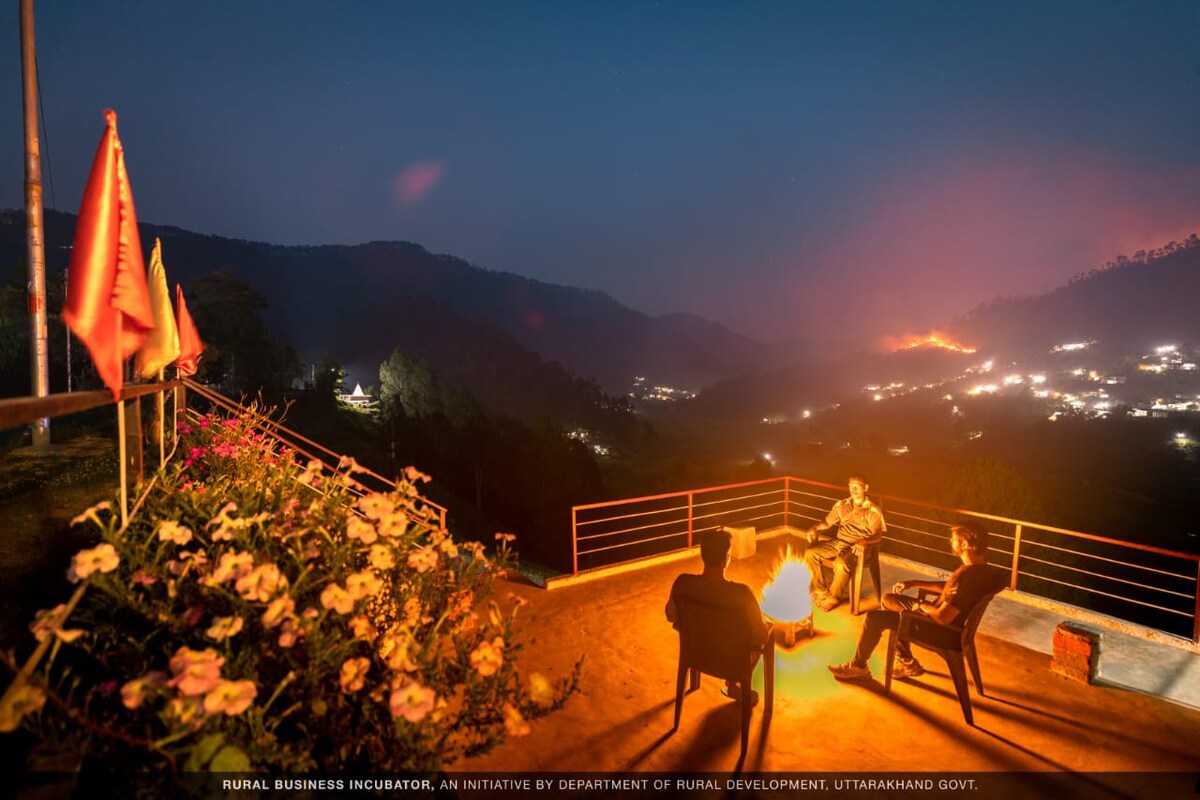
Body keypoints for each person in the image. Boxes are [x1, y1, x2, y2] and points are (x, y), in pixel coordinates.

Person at [828, 521, 1001, 681]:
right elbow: (949, 588)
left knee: (874, 618)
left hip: (940, 631)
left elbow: (943, 617)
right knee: (888, 599)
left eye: (954, 539)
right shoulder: (982, 571)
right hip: (946, 623)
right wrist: (913, 583)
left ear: (964, 545)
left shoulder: (966, 578)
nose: (950, 541)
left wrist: (921, 606)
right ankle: (907, 661)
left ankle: (859, 667)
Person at [666, 529, 771, 705]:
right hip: (730, 661)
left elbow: (671, 616)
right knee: (767, 630)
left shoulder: (682, 584)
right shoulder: (742, 594)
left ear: (703, 555)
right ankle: (733, 682)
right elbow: (760, 636)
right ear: (725, 560)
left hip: (696, 653)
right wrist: (767, 627)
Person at [804, 474, 885, 612]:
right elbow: (827, 522)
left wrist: (864, 541)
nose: (853, 490)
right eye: (850, 486)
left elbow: (878, 535)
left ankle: (832, 598)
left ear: (865, 488)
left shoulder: (873, 510)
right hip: (840, 542)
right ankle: (822, 592)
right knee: (810, 553)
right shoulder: (842, 505)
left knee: (841, 563)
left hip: (860, 548)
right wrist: (816, 528)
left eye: (857, 486)